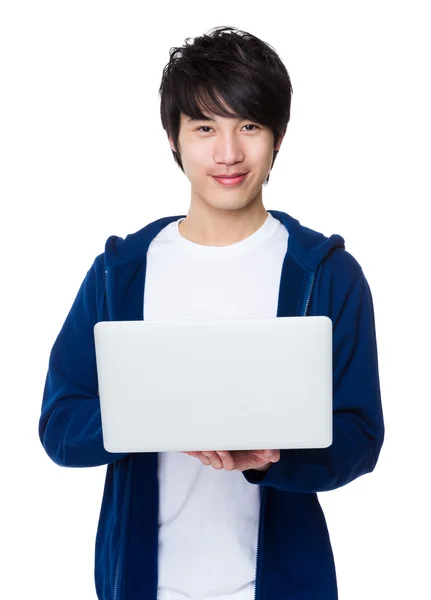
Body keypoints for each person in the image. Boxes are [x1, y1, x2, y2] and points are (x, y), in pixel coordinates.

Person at [38, 25, 385, 600]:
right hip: (143, 587)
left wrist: (275, 457)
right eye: (204, 128)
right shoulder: (119, 273)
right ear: (174, 140)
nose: (228, 153)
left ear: (278, 137)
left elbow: (360, 434)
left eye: (248, 125)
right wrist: (146, 417)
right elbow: (58, 425)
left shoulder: (325, 274)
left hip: (282, 587)